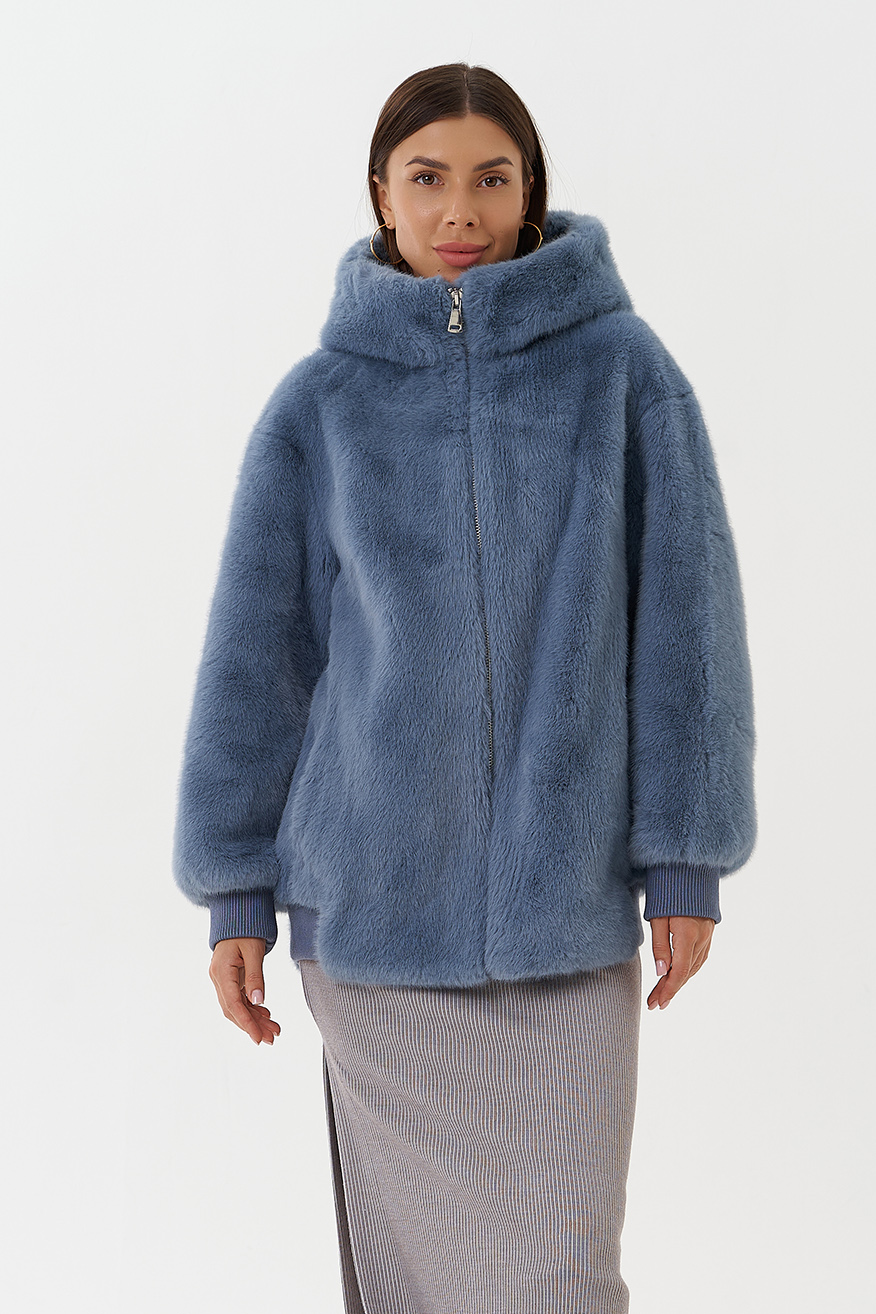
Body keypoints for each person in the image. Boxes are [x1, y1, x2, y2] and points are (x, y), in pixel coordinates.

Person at [172, 62, 757, 1314]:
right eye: (428, 178)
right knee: (415, 1282)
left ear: (531, 192)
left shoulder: (624, 375)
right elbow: (256, 661)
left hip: (565, 917)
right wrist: (234, 892)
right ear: (379, 192)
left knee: (562, 1274)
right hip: (369, 921)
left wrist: (684, 862)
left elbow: (688, 628)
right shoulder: (320, 404)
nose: (460, 212)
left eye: (492, 180)